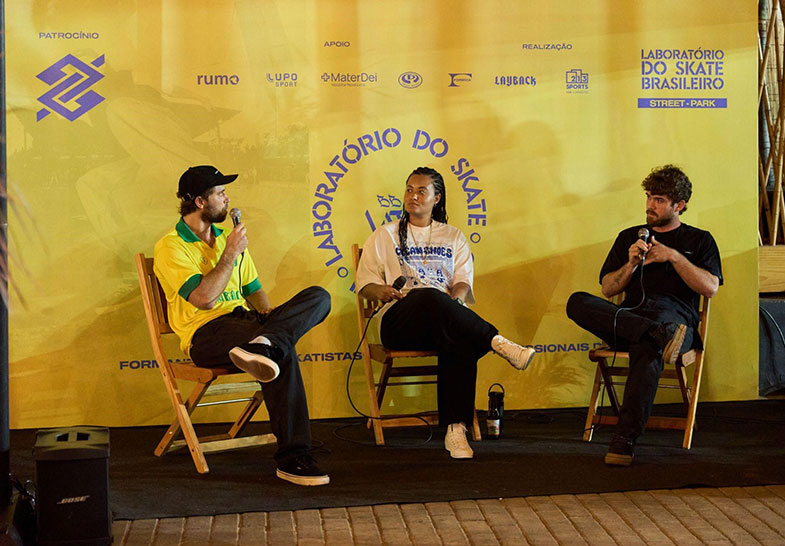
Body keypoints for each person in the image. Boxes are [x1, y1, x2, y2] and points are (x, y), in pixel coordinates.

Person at [153, 165, 332, 485]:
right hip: (206, 332)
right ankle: (293, 458)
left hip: (248, 325)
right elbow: (204, 298)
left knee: (318, 297)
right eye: (220, 193)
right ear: (199, 202)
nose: (227, 198)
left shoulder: (226, 237)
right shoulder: (170, 246)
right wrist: (230, 253)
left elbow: (253, 291)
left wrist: (273, 318)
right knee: (280, 350)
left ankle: (266, 343)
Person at [355, 166, 535, 459]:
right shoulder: (384, 235)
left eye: (421, 191)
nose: (413, 196)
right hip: (399, 322)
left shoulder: (453, 236)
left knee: (458, 337)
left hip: (440, 320)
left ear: (436, 198)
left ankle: (455, 431)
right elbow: (365, 285)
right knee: (428, 295)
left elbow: (462, 282)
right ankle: (497, 342)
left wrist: (458, 297)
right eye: (409, 190)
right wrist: (382, 291)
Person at [566, 165, 722, 466]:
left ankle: (624, 438)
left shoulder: (699, 240)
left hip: (675, 324)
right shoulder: (630, 237)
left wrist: (674, 257)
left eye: (660, 199)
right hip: (631, 318)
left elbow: (710, 288)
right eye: (650, 197)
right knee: (577, 301)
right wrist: (631, 263)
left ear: (680, 205)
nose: (651, 204)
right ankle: (651, 332)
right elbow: (608, 290)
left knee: (648, 346)